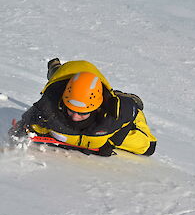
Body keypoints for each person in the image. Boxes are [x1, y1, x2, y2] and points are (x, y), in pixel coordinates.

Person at [9, 58, 157, 156]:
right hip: (67, 73)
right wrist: (21, 131)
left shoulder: (113, 114)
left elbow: (131, 115)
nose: (75, 117)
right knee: (57, 75)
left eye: (82, 113)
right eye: (71, 110)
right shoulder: (48, 108)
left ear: (95, 109)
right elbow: (28, 124)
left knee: (147, 148)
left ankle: (119, 94)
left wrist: (114, 141)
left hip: (93, 82)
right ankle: (55, 67)